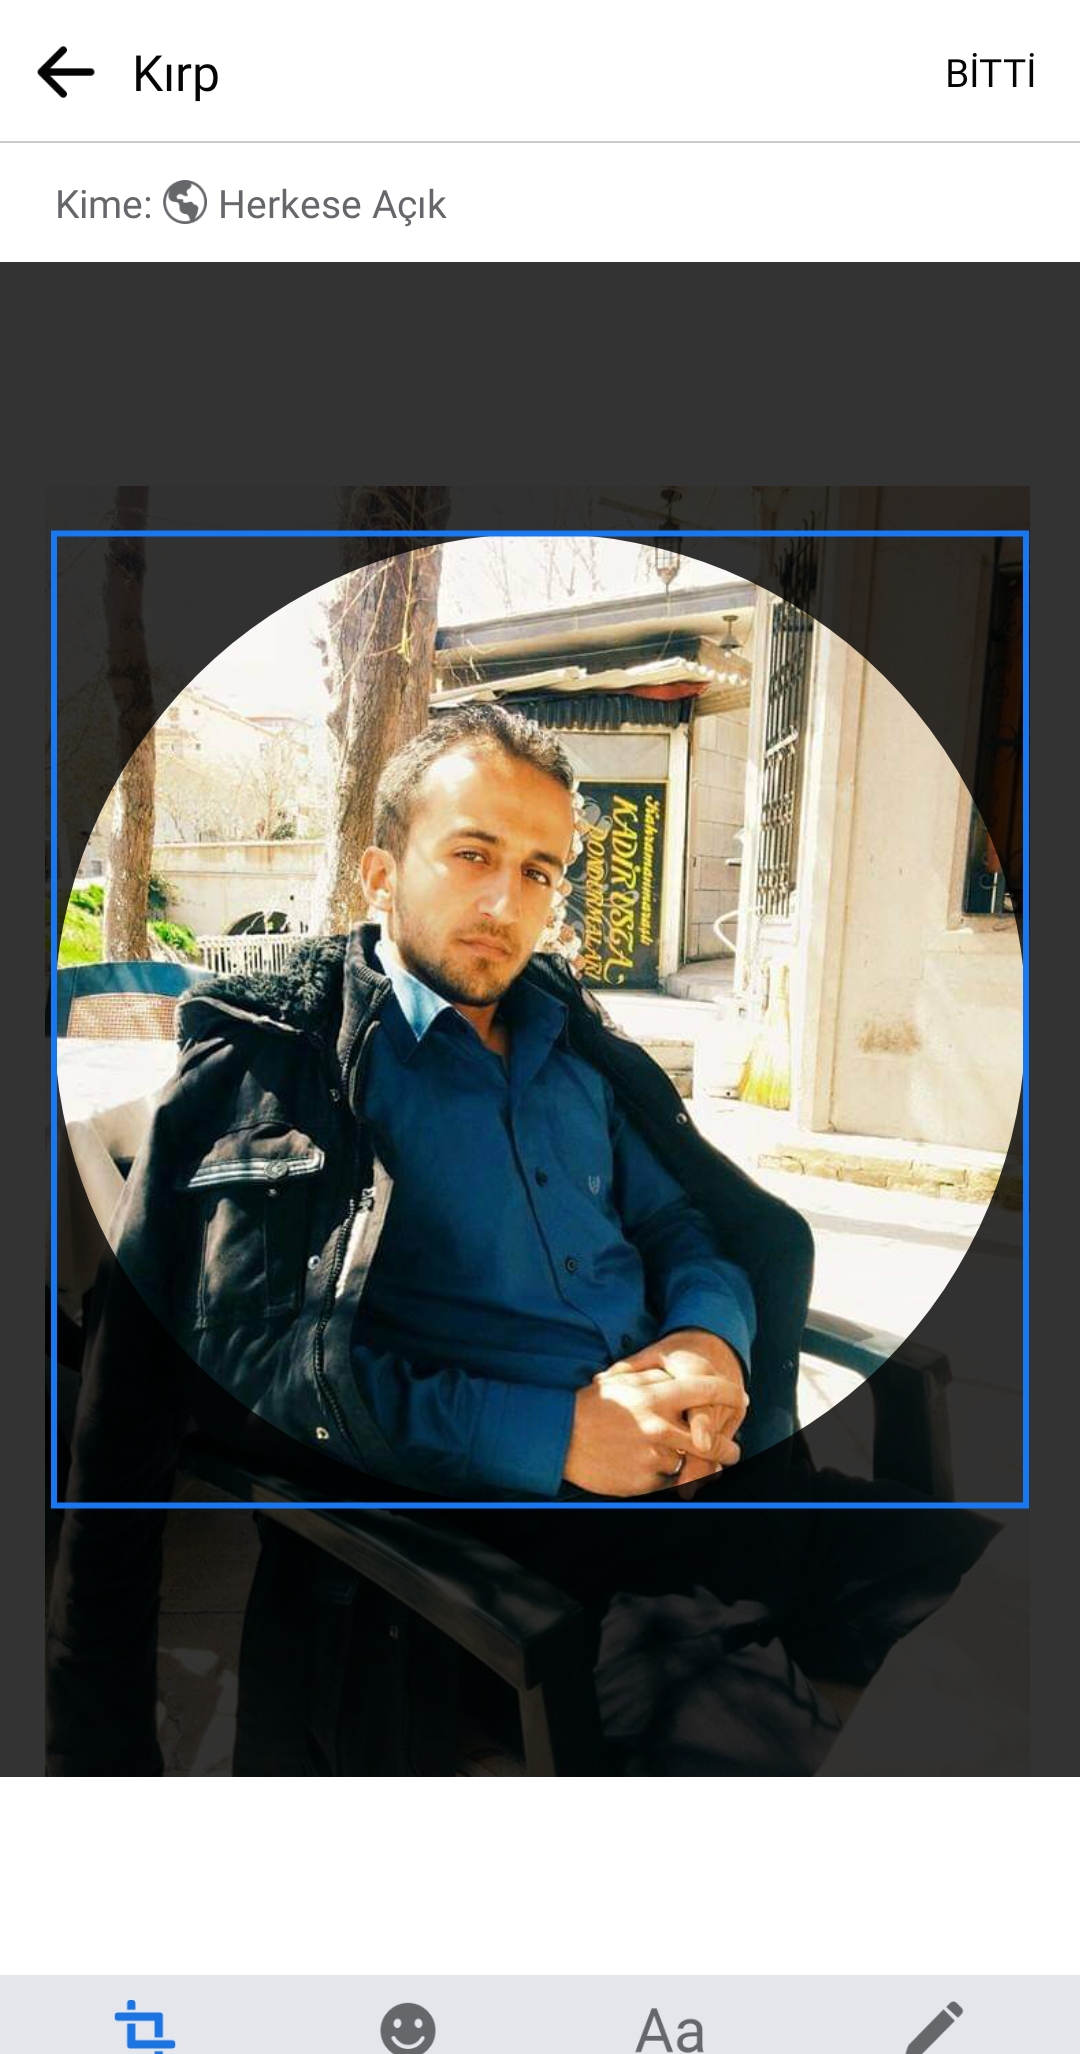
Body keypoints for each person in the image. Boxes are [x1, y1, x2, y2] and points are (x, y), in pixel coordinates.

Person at [48, 705, 997, 1775]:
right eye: (472, 854)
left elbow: (680, 1222)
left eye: (541, 870)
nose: (507, 902)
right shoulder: (291, 1068)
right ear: (380, 873)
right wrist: (556, 1437)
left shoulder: (573, 1047)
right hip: (535, 1567)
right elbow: (235, 1379)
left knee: (1021, 1614)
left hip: (742, 1486)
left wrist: (707, 1337)